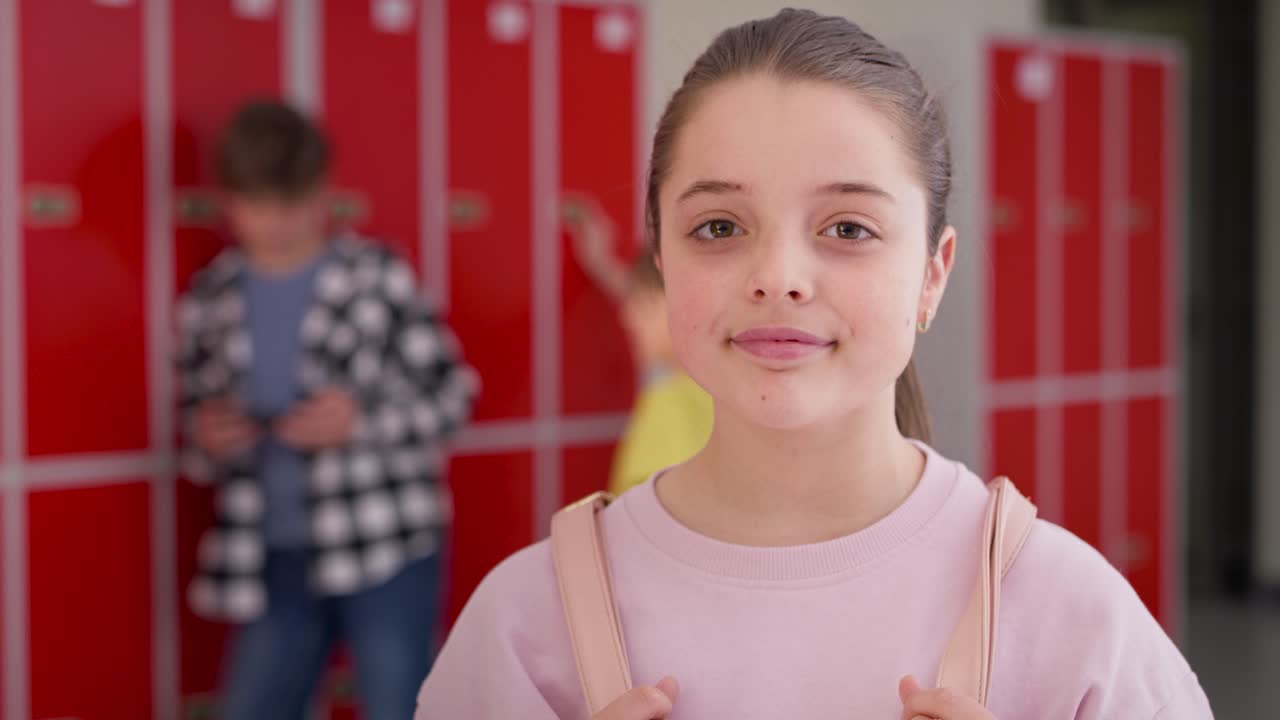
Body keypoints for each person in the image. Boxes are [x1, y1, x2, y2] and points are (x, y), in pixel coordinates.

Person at [415, 10, 1212, 719]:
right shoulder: (526, 623)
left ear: (933, 274)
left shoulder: (1073, 617)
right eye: (720, 227)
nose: (780, 275)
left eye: (849, 228)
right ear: (660, 260)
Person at [176, 100, 477, 720]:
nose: (277, 224)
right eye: (258, 205)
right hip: (272, 554)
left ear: (323, 193)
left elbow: (452, 396)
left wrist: (359, 425)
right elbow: (192, 423)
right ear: (229, 200)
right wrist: (208, 438)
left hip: (384, 547)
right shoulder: (212, 299)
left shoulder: (375, 276)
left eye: (292, 204)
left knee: (400, 705)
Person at [564, 199, 713, 495]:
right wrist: (602, 262)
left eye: (640, 306)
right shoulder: (724, 389)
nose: (626, 319)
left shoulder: (670, 403)